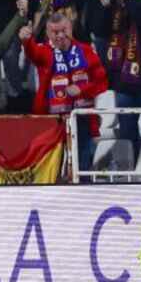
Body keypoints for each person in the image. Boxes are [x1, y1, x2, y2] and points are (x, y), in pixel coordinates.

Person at [19, 13, 109, 174]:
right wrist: (26, 41)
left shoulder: (86, 51)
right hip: (53, 121)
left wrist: (82, 90)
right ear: (48, 34)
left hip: (83, 119)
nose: (60, 35)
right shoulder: (45, 52)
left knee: (83, 166)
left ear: (71, 28)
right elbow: (32, 53)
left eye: (64, 30)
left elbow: (102, 82)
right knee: (53, 166)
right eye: (55, 32)